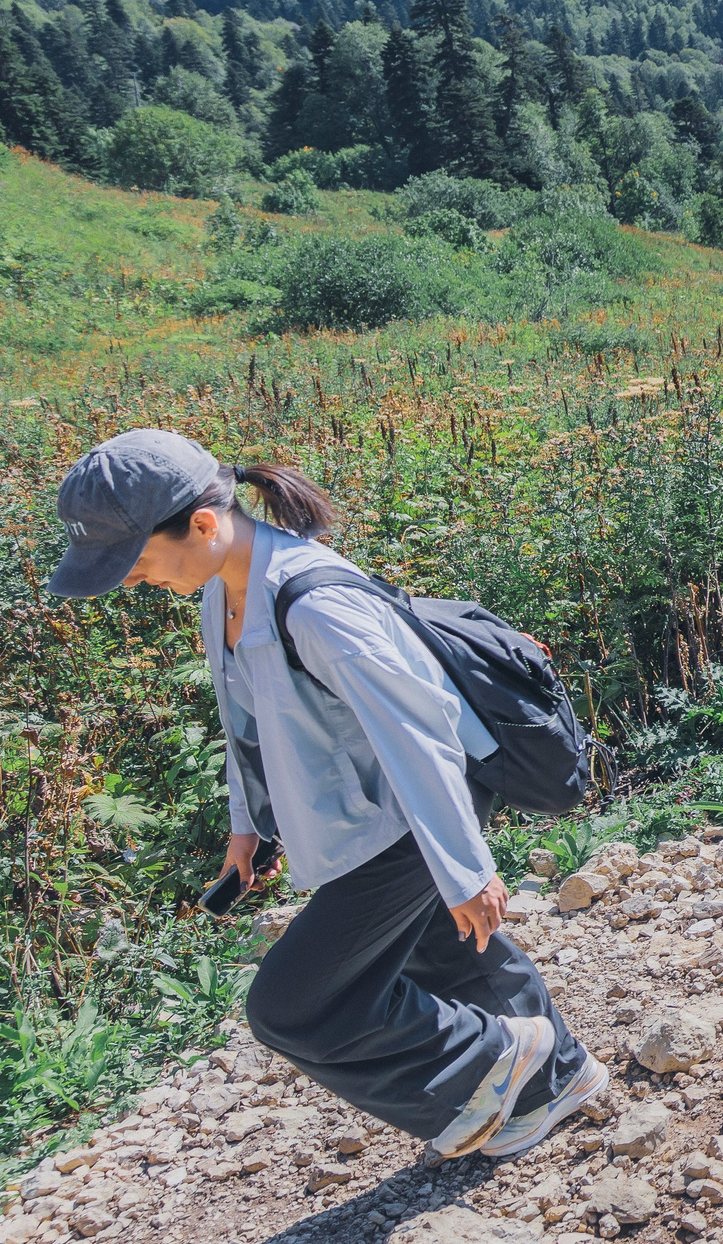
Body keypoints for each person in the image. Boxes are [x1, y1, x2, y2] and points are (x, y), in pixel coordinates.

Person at [44, 431, 603, 1160]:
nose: (133, 580)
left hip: (410, 811)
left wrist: (463, 869)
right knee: (448, 948)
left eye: (139, 561)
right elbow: (242, 714)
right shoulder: (222, 592)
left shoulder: (315, 605)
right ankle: (555, 1079)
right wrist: (249, 825)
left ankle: (498, 1053)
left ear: (204, 524)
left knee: (292, 1005)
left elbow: (422, 735)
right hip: (362, 810)